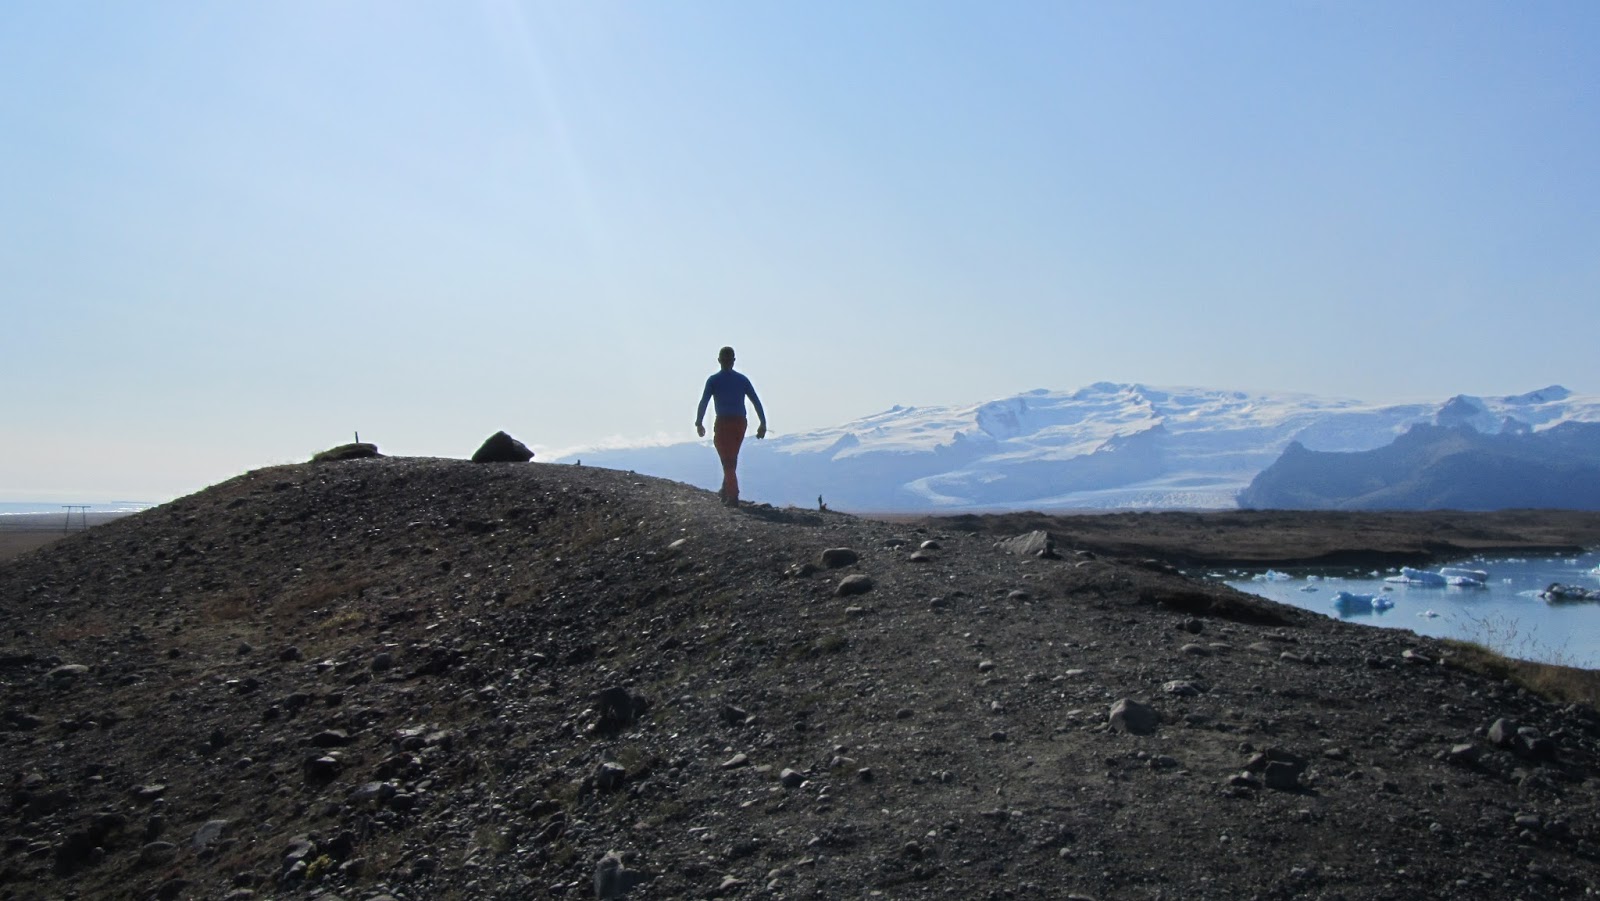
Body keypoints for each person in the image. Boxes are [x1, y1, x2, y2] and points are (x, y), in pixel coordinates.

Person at [695, 346, 767, 506]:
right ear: (733, 361)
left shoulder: (714, 380)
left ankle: (733, 496)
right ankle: (726, 489)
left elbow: (704, 401)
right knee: (731, 458)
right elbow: (756, 401)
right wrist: (762, 423)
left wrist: (699, 422)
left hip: (724, 423)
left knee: (727, 459)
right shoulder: (742, 380)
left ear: (719, 360)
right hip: (740, 423)